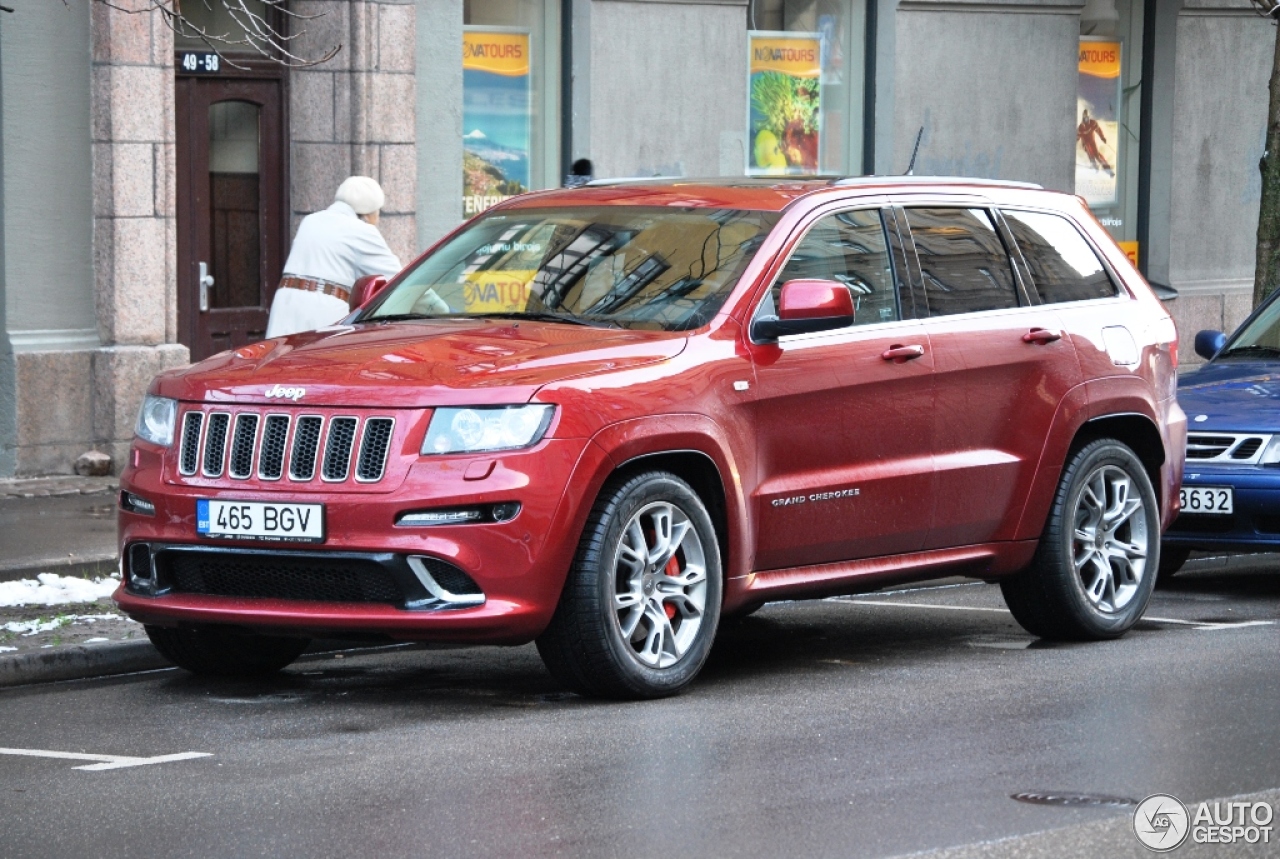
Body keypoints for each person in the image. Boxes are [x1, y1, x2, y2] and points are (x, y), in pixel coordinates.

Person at [265, 176, 403, 338]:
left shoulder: (310, 221)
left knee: (277, 361)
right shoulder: (362, 231)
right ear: (368, 213)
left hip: (285, 305)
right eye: (377, 213)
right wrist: (437, 308)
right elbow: (401, 280)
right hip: (321, 312)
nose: (377, 220)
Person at [1076, 109, 1114, 177]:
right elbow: (1077, 137)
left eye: (1087, 118)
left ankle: (1108, 169)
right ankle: (1094, 166)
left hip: (1092, 142)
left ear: (1089, 117)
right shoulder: (1081, 127)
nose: (1086, 120)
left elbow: (1098, 130)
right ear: (1083, 118)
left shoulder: (1093, 123)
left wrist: (1102, 138)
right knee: (1090, 151)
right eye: (1084, 119)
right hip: (1085, 143)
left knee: (1098, 156)